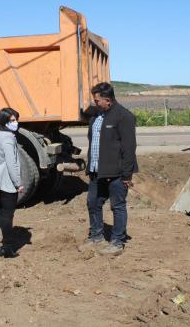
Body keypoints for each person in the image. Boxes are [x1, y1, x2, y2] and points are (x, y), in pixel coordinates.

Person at [78, 82, 138, 256]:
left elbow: (129, 148)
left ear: (108, 100)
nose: (95, 103)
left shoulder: (124, 117)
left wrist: (127, 175)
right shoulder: (96, 117)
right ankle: (96, 236)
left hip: (116, 173)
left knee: (117, 206)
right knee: (93, 203)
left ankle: (117, 242)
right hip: (97, 171)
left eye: (97, 100)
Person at [0, 108, 24, 258]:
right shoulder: (9, 137)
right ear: (4, 121)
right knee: (8, 215)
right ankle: (7, 248)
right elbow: (11, 163)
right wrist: (18, 183)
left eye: (16, 119)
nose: (16, 123)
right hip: (7, 183)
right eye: (12, 120)